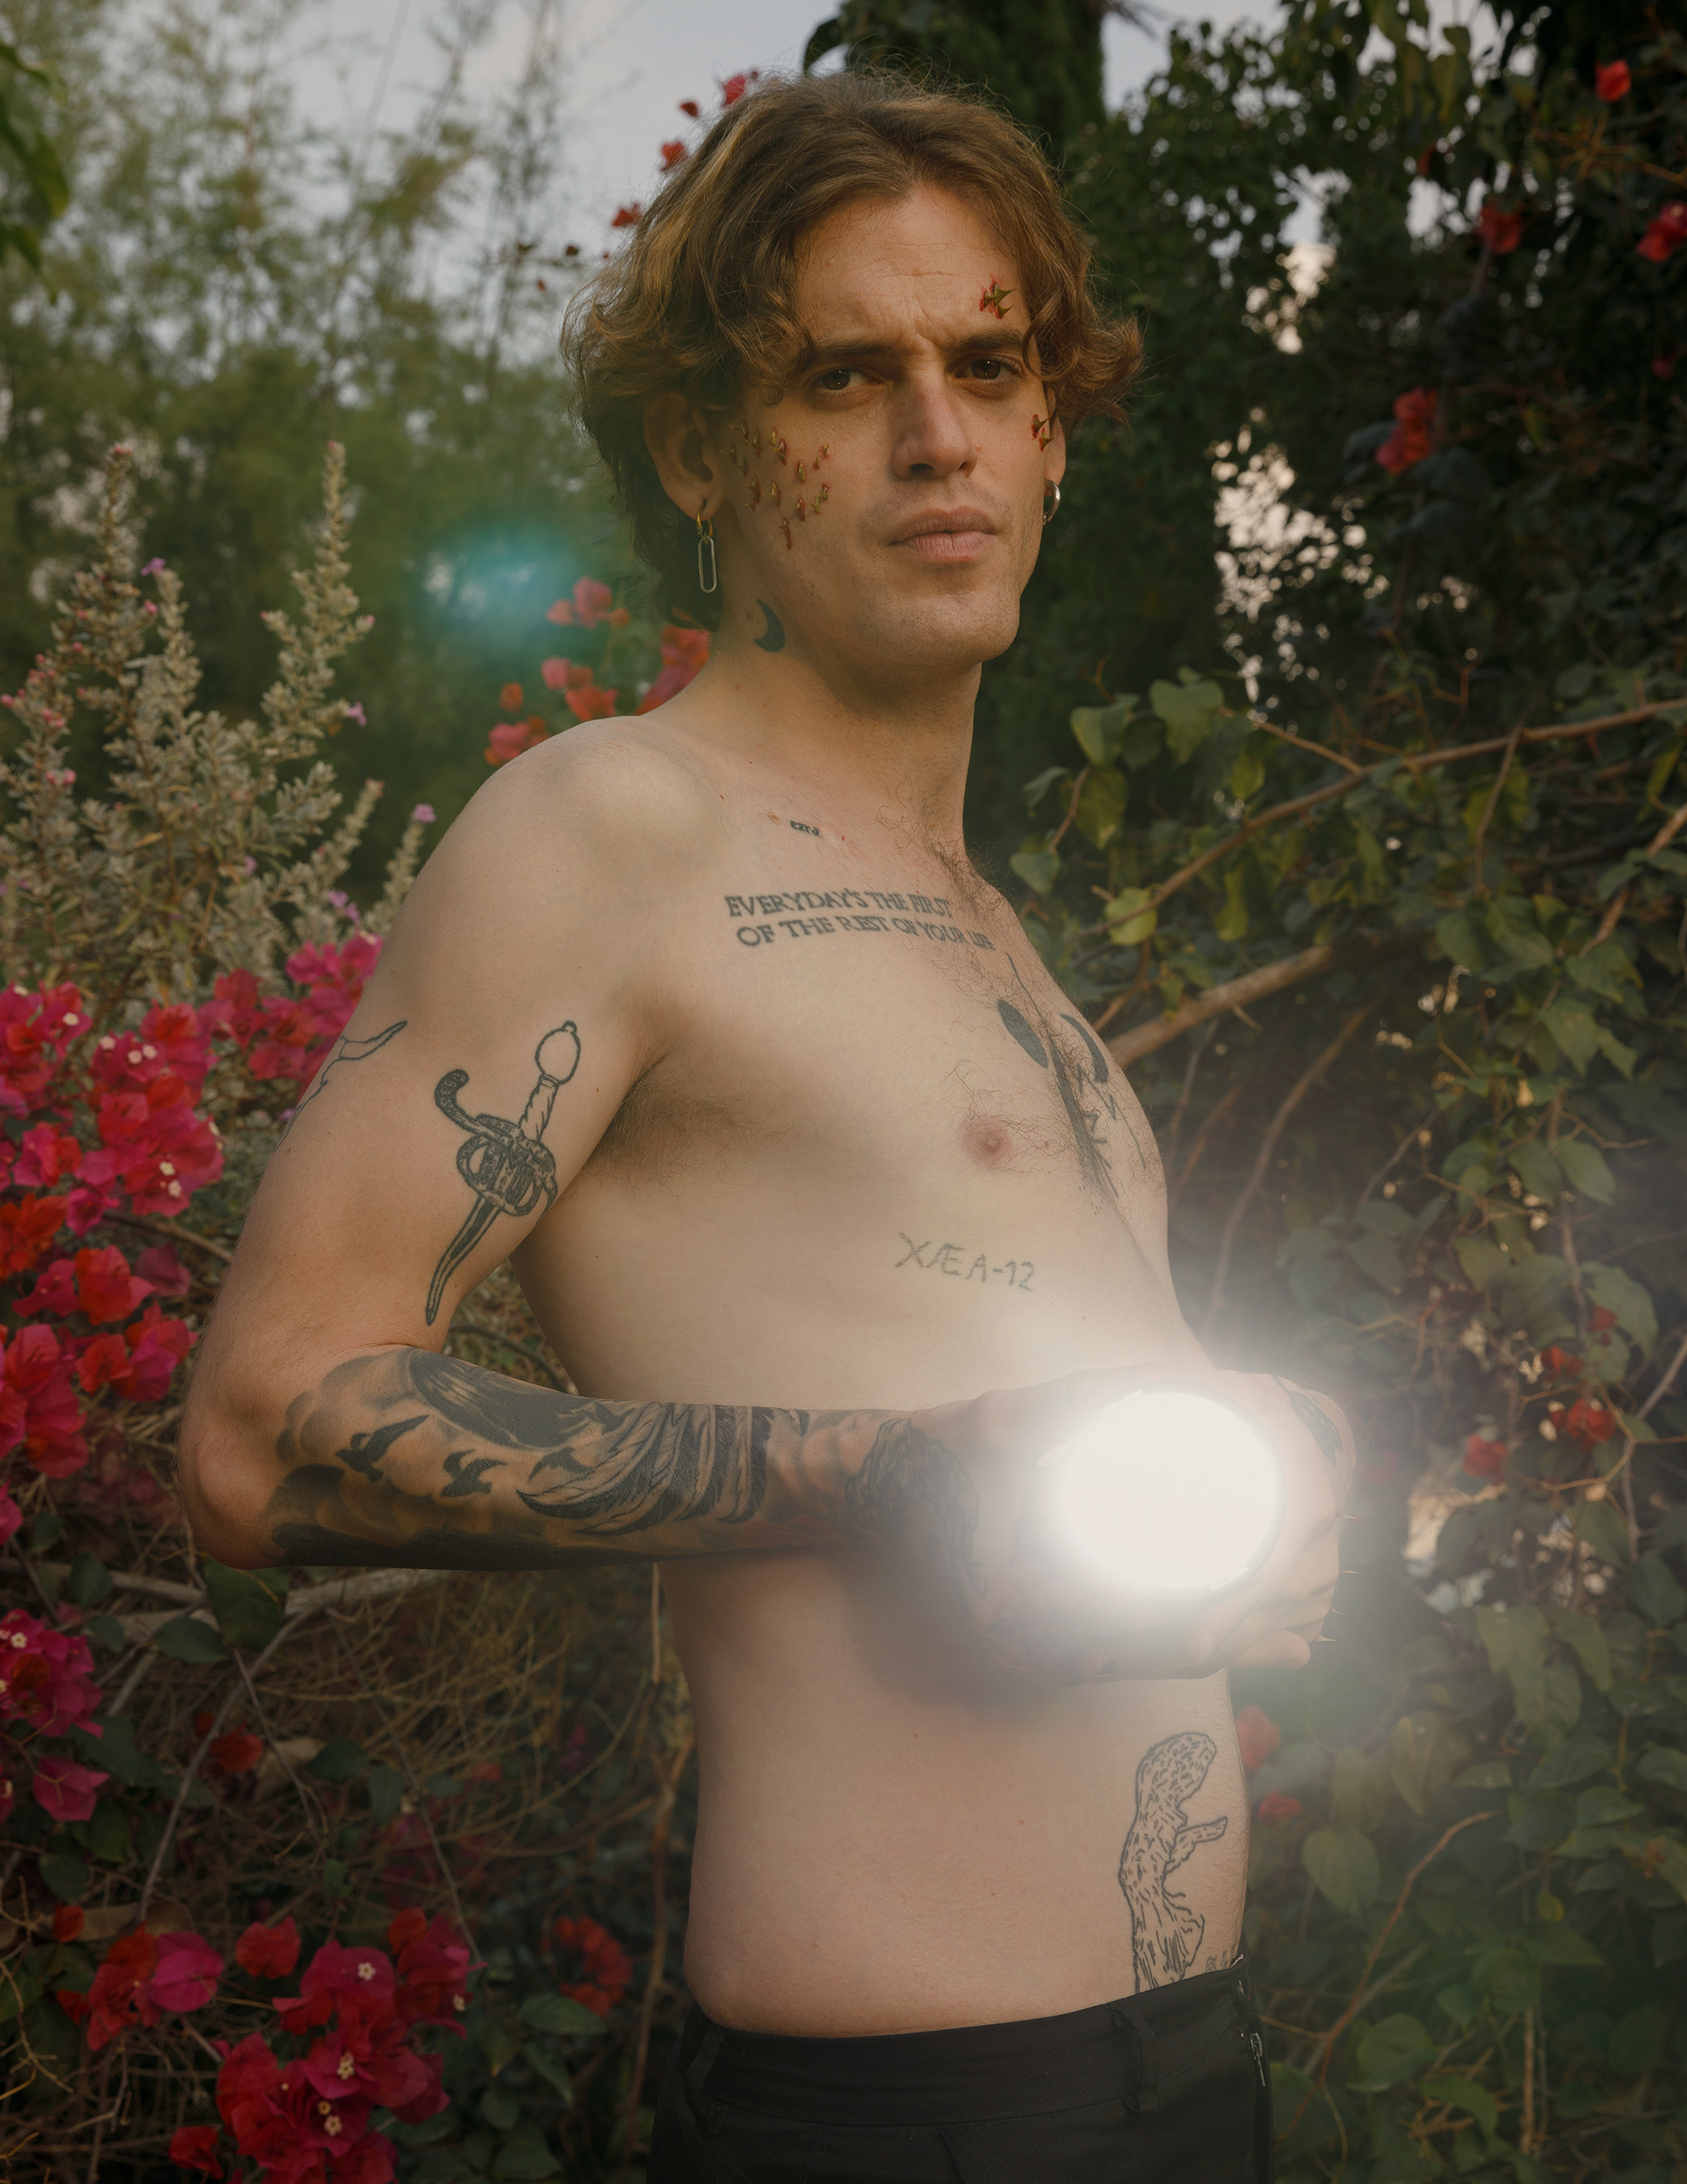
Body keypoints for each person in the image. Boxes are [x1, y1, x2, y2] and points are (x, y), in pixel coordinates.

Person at [178, 68, 1353, 2183]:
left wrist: (1278, 1473)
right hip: (908, 2119)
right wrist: (892, 1474)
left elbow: (1057, 1453)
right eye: (844, 374)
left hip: (1189, 2077)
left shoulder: (995, 940)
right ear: (702, 449)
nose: (938, 433)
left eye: (987, 362)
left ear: (1055, 426)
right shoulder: (619, 825)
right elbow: (264, 1431)